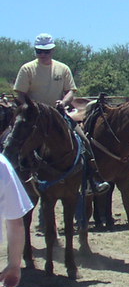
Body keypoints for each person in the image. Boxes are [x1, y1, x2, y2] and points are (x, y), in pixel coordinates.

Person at [13, 33, 109, 194]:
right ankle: (13, 178)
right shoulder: (27, 69)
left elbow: (70, 91)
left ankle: (92, 180)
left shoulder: (62, 69)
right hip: (33, 118)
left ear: (53, 51)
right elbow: (20, 93)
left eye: (46, 51)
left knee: (84, 141)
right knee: (14, 140)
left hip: (57, 115)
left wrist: (63, 102)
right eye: (39, 51)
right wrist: (28, 108)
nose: (43, 55)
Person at [1, 151, 35, 287]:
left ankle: (91, 179)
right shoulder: (1, 164)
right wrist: (14, 264)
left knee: (84, 140)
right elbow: (16, 224)